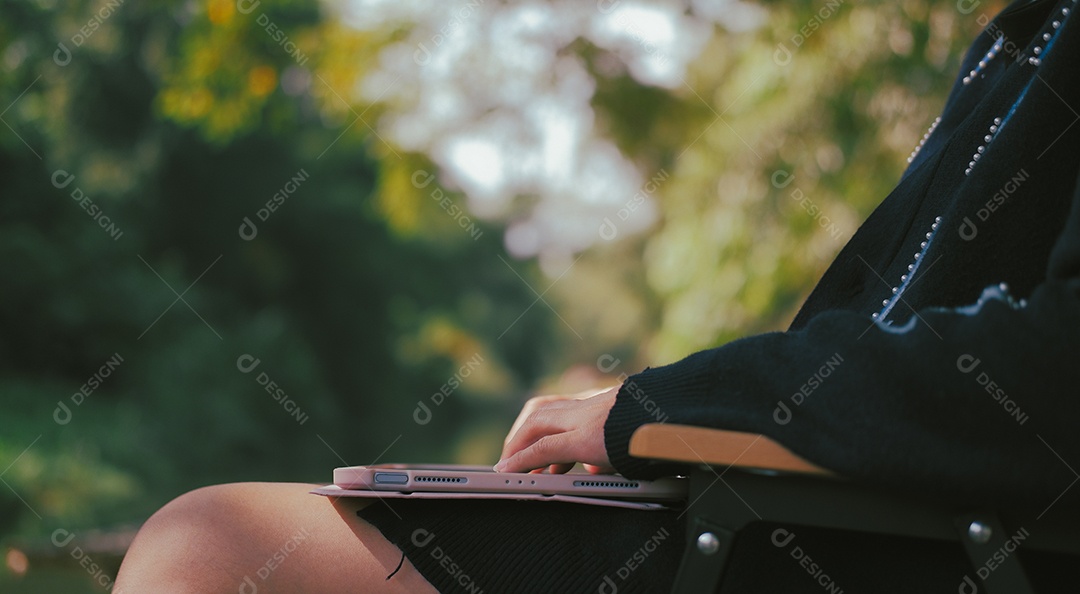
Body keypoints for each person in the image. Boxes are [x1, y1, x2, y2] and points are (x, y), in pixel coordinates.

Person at [115, 0, 1080, 591]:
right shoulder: (1022, 38)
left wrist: (656, 410)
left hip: (874, 550)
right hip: (799, 521)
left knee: (204, 551)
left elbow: (1052, 374)